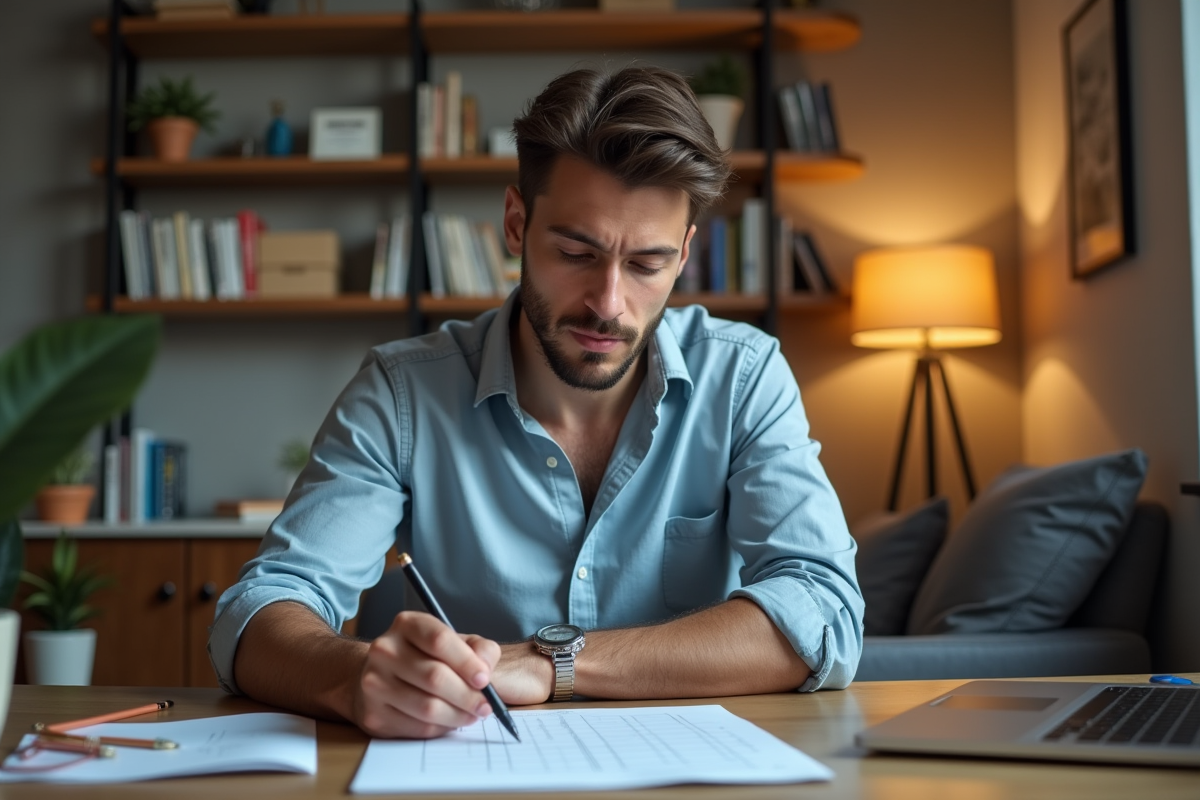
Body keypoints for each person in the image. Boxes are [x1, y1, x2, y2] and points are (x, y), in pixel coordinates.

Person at [211, 65, 863, 740]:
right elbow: (258, 612)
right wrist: (355, 677)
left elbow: (823, 610)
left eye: (647, 264)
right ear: (517, 224)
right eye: (576, 252)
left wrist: (555, 664)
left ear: (683, 255)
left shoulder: (744, 377)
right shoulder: (402, 392)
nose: (609, 304)